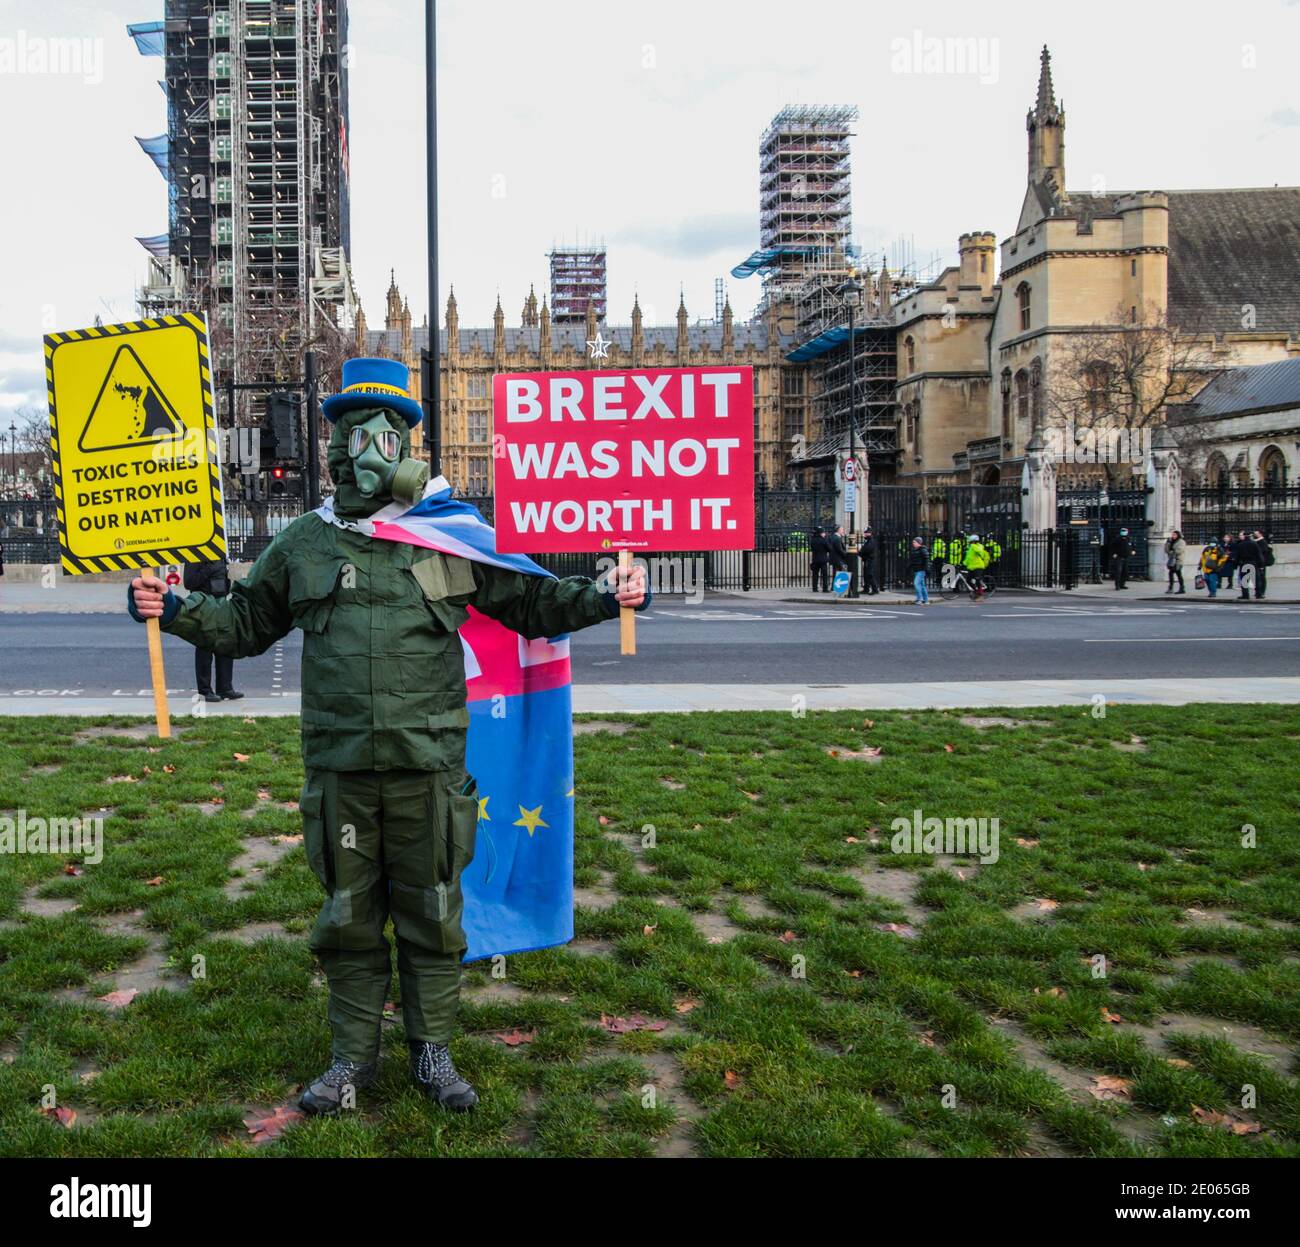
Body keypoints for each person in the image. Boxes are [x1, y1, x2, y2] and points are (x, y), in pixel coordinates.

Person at [126, 357, 649, 1117]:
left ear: (409, 445)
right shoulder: (304, 543)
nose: (365, 448)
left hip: (427, 768)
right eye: (350, 431)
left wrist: (605, 594)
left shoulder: (449, 537)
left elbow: (532, 602)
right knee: (348, 914)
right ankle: (350, 1059)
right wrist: (169, 607)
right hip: (340, 768)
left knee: (434, 912)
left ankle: (431, 1051)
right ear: (332, 442)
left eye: (383, 432)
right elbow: (242, 624)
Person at [184, 557, 243, 701]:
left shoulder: (220, 556)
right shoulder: (195, 554)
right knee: (205, 647)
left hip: (221, 603)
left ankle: (225, 688)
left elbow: (224, 579)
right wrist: (208, 569)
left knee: (225, 644)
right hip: (203, 604)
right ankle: (205, 691)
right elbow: (189, 582)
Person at [962, 533, 992, 602]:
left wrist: (973, 546)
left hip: (978, 566)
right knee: (968, 580)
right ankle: (976, 592)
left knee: (978, 580)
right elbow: (968, 558)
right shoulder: (971, 548)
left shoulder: (978, 546)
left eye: (970, 542)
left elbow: (980, 551)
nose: (969, 543)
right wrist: (963, 564)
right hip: (971, 567)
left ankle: (980, 595)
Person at [1234, 530, 1261, 600]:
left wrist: (1235, 565)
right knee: (1256, 579)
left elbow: (1237, 556)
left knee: (1244, 580)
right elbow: (1259, 555)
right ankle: (1258, 594)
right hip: (1253, 563)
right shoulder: (1254, 544)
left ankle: (1245, 595)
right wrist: (1261, 564)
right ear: (1250, 536)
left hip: (1244, 563)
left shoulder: (1240, 545)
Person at [907, 537, 930, 604]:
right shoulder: (915, 550)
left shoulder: (923, 550)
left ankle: (919, 599)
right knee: (922, 585)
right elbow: (912, 561)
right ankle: (926, 600)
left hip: (921, 570)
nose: (913, 544)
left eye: (914, 542)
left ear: (918, 543)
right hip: (916, 570)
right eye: (913, 542)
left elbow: (926, 560)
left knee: (916, 583)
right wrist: (909, 567)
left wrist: (927, 569)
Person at [1163, 530, 1186, 595]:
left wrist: (1171, 552)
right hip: (1171, 560)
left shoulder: (1181, 542)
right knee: (1171, 573)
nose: (1173, 536)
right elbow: (1166, 550)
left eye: (1174, 535)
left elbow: (1179, 550)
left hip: (1178, 560)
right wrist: (1167, 543)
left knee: (1178, 574)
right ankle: (1171, 587)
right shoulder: (1171, 542)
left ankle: (1181, 588)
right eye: (1172, 535)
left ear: (1178, 535)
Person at [1252, 529, 1272, 600]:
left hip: (1261, 563)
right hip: (1258, 562)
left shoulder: (1262, 542)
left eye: (1256, 533)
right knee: (1258, 578)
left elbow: (1262, 553)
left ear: (1260, 534)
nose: (1255, 535)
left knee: (1262, 577)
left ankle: (1262, 592)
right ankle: (1258, 591)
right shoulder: (1258, 541)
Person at [858, 529, 879, 595]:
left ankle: (875, 589)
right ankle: (866, 588)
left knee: (870, 575)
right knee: (866, 575)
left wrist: (860, 551)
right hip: (867, 560)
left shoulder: (871, 541)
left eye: (865, 534)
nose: (864, 535)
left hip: (870, 560)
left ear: (869, 533)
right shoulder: (868, 541)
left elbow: (867, 550)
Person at [809, 527, 830, 593]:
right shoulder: (824, 540)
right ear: (821, 533)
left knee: (815, 574)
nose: (824, 534)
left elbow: (812, 548)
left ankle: (814, 588)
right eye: (823, 533)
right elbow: (829, 548)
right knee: (824, 575)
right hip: (823, 560)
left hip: (815, 559)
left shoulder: (813, 540)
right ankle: (825, 588)